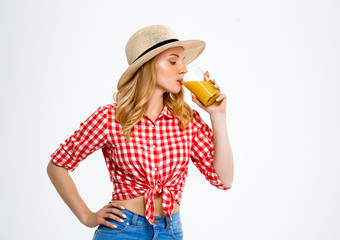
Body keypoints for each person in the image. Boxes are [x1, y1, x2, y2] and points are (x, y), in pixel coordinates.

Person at [47, 25, 234, 240]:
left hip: (170, 231)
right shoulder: (110, 118)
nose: (183, 69)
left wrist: (218, 116)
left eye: (183, 61)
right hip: (123, 229)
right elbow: (57, 165)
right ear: (147, 66)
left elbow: (223, 179)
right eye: (173, 61)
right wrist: (86, 216)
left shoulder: (186, 120)